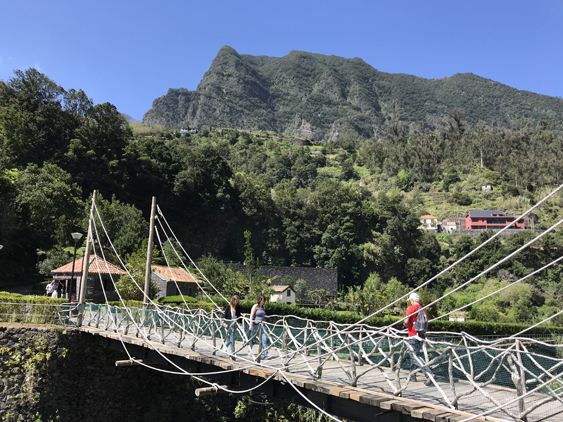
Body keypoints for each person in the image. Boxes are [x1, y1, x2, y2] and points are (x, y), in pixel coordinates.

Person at [404, 292, 433, 386]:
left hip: (413, 334)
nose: (410, 302)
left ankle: (429, 374)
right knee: (414, 355)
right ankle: (412, 375)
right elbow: (426, 324)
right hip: (421, 335)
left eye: (410, 300)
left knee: (414, 356)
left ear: (412, 300)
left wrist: (405, 325)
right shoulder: (423, 309)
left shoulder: (410, 308)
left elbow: (406, 321)